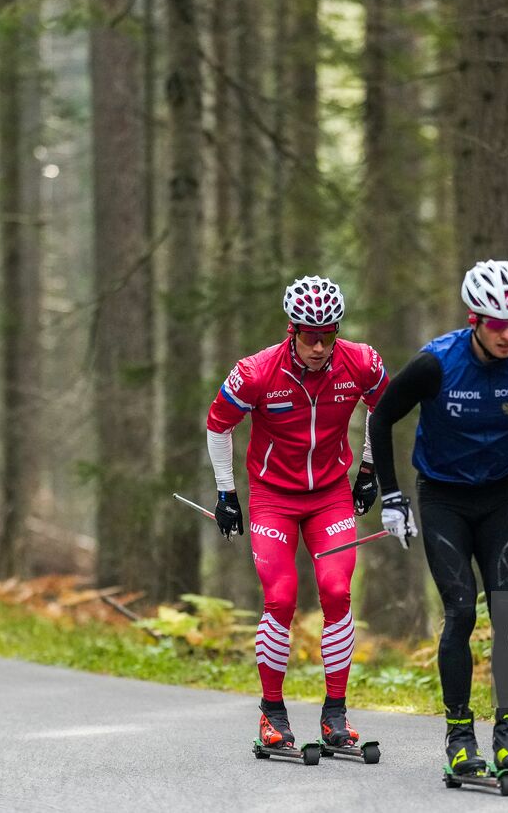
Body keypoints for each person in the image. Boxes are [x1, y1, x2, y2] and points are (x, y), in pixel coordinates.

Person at [368, 259, 508, 776]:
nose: (507, 334)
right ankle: (460, 737)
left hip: (499, 495)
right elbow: (382, 415)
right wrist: (391, 496)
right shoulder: (436, 363)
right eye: (496, 324)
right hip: (442, 498)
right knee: (461, 611)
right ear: (473, 319)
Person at [205, 276, 387, 751]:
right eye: (310, 334)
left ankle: (335, 715)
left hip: (330, 494)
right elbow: (217, 424)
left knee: (336, 591)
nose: (320, 346)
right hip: (273, 498)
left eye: (329, 334)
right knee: (281, 599)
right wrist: (227, 493)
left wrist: (368, 468)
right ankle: (272, 714)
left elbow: (382, 408)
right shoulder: (256, 371)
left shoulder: (360, 361)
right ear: (293, 330)